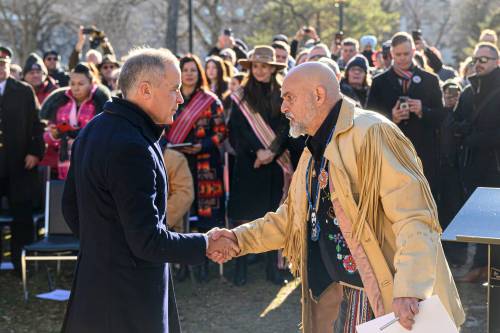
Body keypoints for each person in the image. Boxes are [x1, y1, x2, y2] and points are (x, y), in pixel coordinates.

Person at [211, 62, 465, 332]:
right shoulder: (312, 149)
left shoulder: (372, 132)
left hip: (384, 297)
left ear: (318, 95)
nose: (283, 107)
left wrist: (409, 288)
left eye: (289, 97)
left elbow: (413, 215)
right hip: (337, 295)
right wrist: (238, 239)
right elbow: (291, 220)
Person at [60, 47, 238, 333]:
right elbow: (147, 241)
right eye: (174, 89)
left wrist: (104, 247)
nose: (180, 98)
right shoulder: (131, 145)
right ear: (145, 90)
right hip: (128, 300)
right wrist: (205, 243)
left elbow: (70, 208)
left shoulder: (94, 129)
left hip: (97, 285)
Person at [228, 46, 293, 286]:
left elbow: (288, 127)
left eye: (264, 66)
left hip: (275, 164)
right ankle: (240, 267)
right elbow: (236, 131)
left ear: (273, 68)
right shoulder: (240, 96)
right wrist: (258, 151)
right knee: (244, 217)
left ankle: (271, 269)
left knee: (272, 216)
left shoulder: (284, 93)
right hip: (249, 164)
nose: (260, 70)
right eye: (256, 66)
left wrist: (272, 152)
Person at [165, 54, 227, 282]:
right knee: (180, 213)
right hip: (176, 163)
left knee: (206, 215)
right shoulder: (171, 98)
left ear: (199, 72)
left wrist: (203, 145)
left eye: (193, 69)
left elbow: (221, 132)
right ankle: (180, 262)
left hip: (205, 164)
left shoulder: (211, 101)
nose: (189, 74)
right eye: (185, 70)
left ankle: (204, 262)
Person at [367, 32, 443, 197]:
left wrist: (423, 110)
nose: (402, 58)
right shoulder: (379, 82)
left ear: (414, 51)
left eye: (406, 54)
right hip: (391, 153)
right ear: (391, 54)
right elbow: (369, 118)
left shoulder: (430, 80)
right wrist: (391, 117)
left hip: (423, 154)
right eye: (398, 55)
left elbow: (442, 117)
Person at [453, 42, 500, 282]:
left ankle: (492, 268)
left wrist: (471, 136)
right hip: (473, 166)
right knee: (482, 220)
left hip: (495, 166)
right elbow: (457, 122)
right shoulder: (470, 90)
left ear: (497, 62)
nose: (478, 63)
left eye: (484, 59)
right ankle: (481, 265)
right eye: (476, 58)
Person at [0, 48, 45, 274]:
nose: (0, 68)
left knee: (22, 217)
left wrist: (35, 152)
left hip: (20, 164)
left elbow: (37, 125)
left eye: (3, 63)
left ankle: (22, 265)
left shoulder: (23, 91)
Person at [39, 63, 111, 180]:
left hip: (92, 166)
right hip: (65, 169)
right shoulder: (61, 104)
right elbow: (47, 137)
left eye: (81, 84)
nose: (76, 88)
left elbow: (105, 135)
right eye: (72, 84)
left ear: (91, 83)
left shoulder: (98, 104)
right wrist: (55, 133)